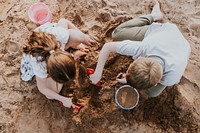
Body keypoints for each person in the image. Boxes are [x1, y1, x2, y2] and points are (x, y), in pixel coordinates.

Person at [89, 1, 191, 97]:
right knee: (117, 34)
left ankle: (155, 15)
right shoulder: (143, 47)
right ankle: (154, 16)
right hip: (163, 32)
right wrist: (98, 73)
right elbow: (107, 47)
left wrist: (128, 79)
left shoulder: (172, 77)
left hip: (182, 47)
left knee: (152, 93)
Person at [21, 18, 94, 108]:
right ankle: (74, 52)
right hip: (38, 47)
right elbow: (42, 88)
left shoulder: (60, 36)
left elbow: (64, 21)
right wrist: (62, 99)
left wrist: (84, 38)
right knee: (51, 94)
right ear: (50, 74)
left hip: (48, 36)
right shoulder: (39, 65)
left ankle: (76, 48)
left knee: (78, 36)